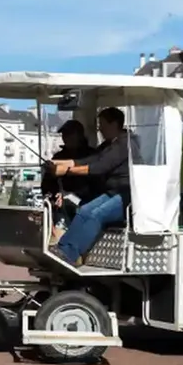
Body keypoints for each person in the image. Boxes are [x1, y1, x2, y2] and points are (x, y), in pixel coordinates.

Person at [46, 107, 132, 266]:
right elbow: (89, 160)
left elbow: (99, 167)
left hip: (125, 195)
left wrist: (67, 171)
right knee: (84, 210)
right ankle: (62, 248)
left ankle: (70, 254)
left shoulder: (125, 143)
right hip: (112, 192)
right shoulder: (107, 145)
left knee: (96, 215)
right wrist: (57, 163)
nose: (99, 128)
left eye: (103, 124)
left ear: (114, 124)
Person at [40, 119, 98, 242]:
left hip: (86, 204)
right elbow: (47, 184)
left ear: (79, 135)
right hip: (63, 208)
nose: (66, 138)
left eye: (70, 134)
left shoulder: (92, 155)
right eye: (64, 135)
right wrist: (53, 195)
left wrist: (75, 195)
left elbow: (95, 181)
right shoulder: (58, 157)